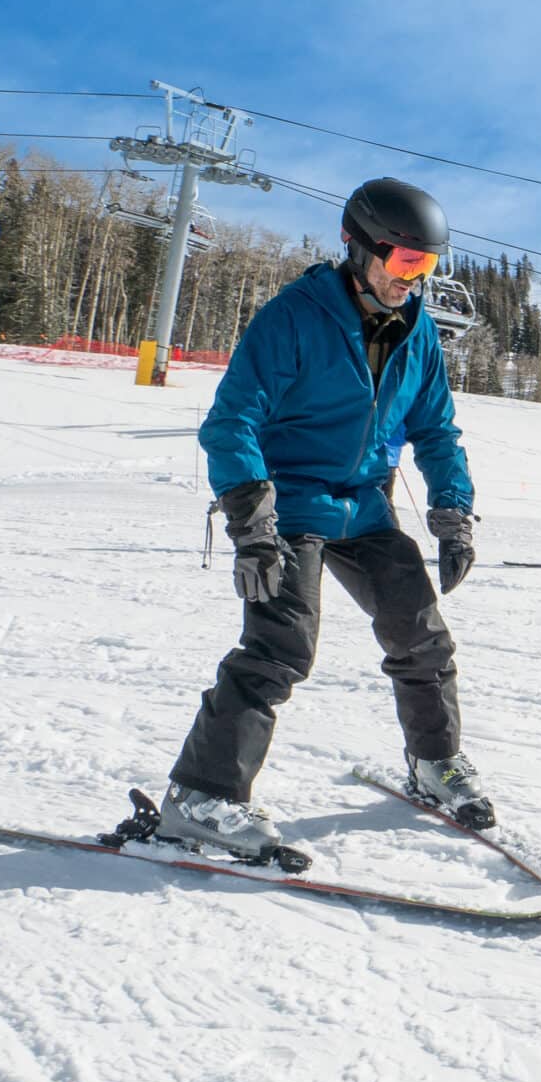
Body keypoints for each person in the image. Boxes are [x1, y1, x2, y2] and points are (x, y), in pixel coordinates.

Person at [161, 177, 491, 857]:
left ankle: (436, 763)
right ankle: (202, 794)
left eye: (426, 266)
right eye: (405, 262)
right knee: (281, 647)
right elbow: (232, 423)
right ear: (361, 247)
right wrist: (252, 524)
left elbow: (436, 431)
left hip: (366, 506)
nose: (414, 280)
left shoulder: (418, 332)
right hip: (290, 504)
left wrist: (453, 510)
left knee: (422, 635)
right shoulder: (295, 316)